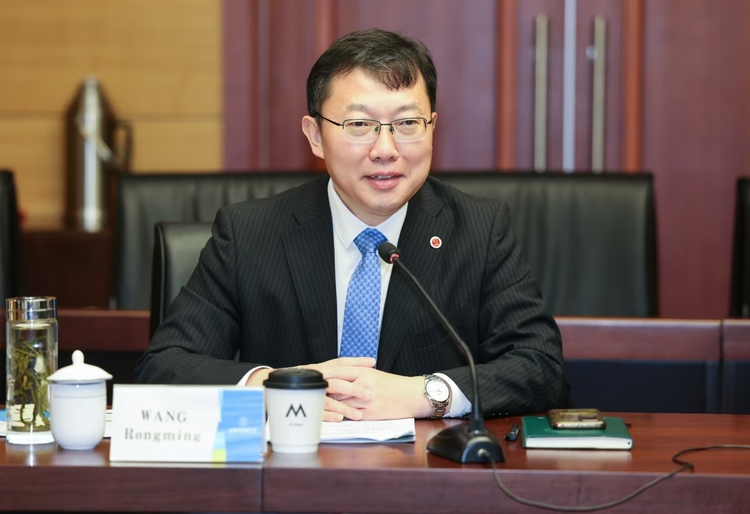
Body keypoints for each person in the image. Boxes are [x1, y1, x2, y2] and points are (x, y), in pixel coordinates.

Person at [137, 28, 569, 422]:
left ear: (432, 127)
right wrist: (274, 388)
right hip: (289, 467)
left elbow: (542, 367)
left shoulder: (480, 230)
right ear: (315, 136)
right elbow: (165, 365)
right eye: (359, 125)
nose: (385, 149)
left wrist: (424, 394)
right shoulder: (248, 233)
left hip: (426, 471)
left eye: (407, 123)